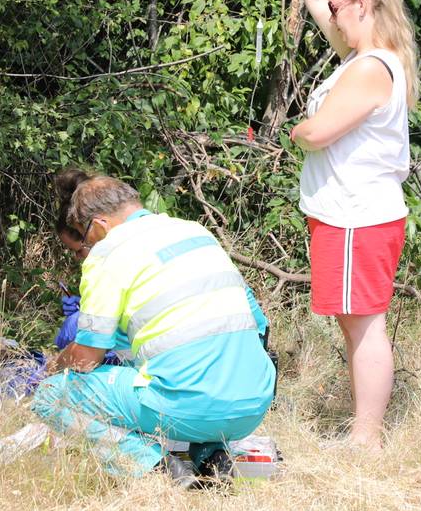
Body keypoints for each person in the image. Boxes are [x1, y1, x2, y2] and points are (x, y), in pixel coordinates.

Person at [273, 0, 420, 450]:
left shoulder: (370, 69)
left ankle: (367, 437)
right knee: (353, 321)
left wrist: (295, 130)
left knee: (364, 324)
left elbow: (318, 133)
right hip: (345, 214)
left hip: (359, 216)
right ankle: (364, 431)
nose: (330, 17)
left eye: (339, 8)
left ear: (362, 5)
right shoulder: (365, 55)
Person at [30, 170, 276, 483]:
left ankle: (156, 468)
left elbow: (87, 358)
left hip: (191, 403)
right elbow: (258, 323)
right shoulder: (195, 231)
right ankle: (212, 457)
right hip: (254, 402)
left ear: (100, 224)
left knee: (51, 395)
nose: (87, 249)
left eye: (85, 237)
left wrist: (55, 366)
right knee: (177, 376)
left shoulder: (108, 253)